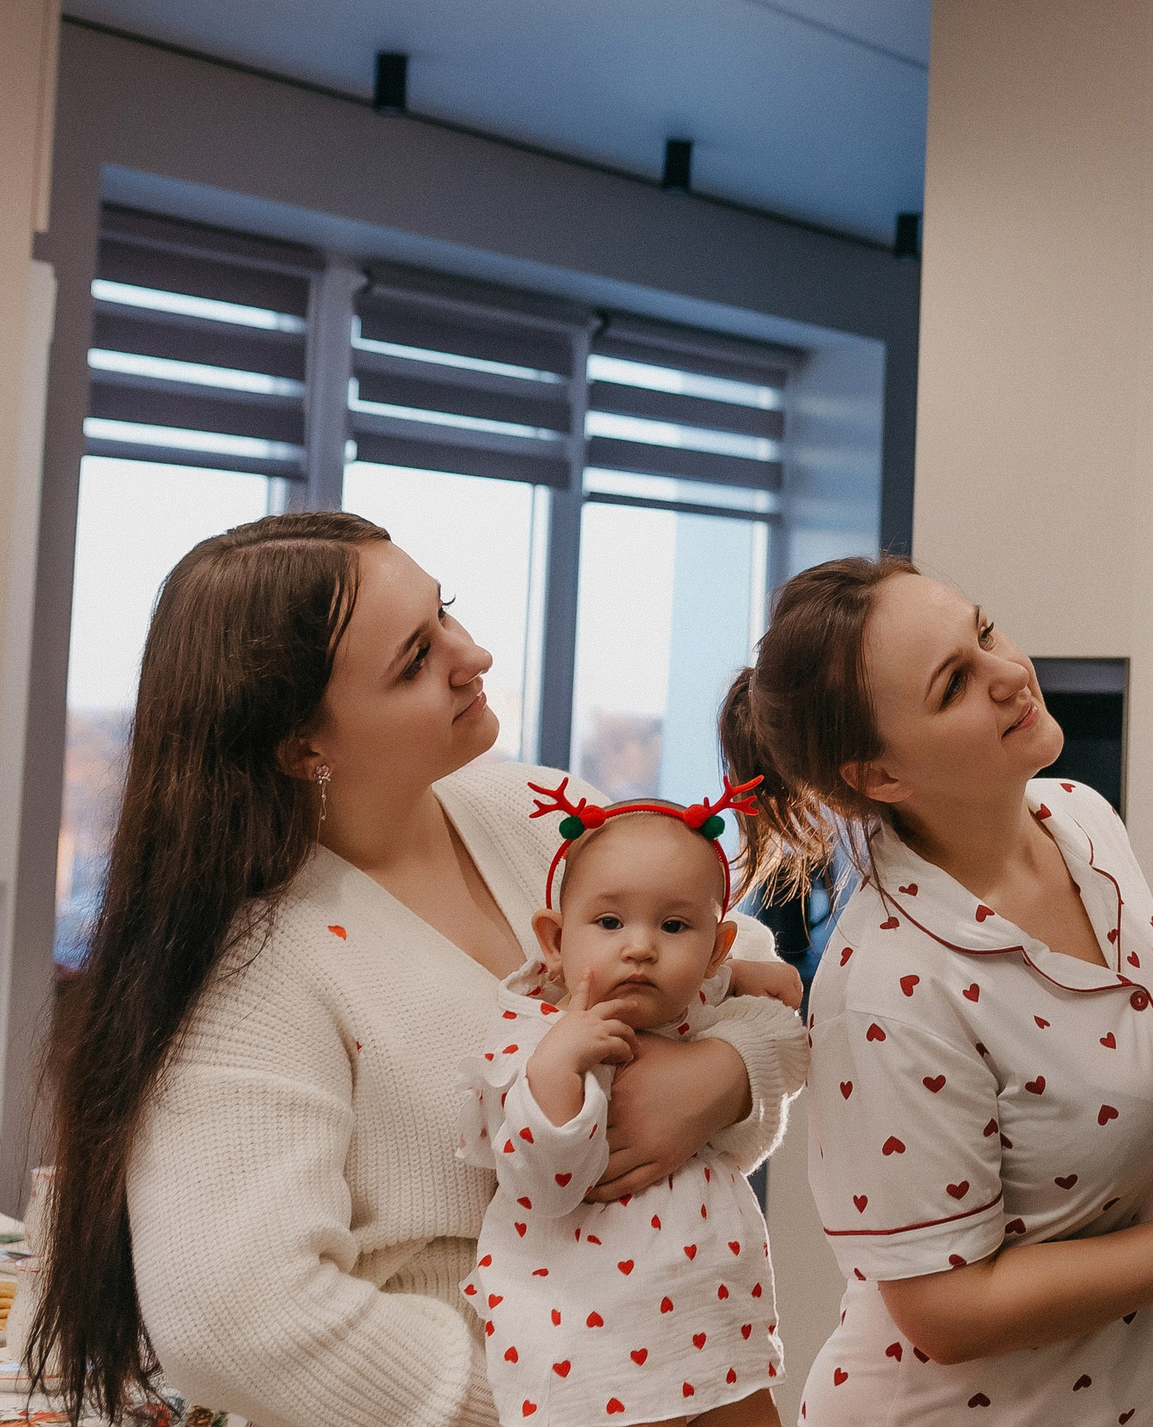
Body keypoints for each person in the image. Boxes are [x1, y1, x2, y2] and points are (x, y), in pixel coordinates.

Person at [27, 513, 807, 1427]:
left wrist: (728, 1073)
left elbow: (742, 967)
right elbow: (236, 1323)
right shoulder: (252, 971)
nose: (471, 654)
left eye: (447, 615)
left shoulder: (530, 811)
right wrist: (560, 1396)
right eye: (413, 661)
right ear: (302, 747)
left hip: (695, 1373)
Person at [718, 559, 1153, 1427]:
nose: (1010, 675)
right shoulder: (888, 986)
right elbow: (943, 1311)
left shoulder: (1079, 817)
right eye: (954, 684)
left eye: (986, 630)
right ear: (879, 777)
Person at [459, 780, 809, 1427]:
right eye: (610, 922)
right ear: (555, 941)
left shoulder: (697, 1003)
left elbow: (786, 1031)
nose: (641, 947)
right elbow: (544, 1183)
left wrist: (740, 979)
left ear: (716, 949)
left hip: (717, 1321)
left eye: (675, 927)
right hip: (600, 1350)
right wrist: (559, 1067)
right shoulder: (534, 1037)